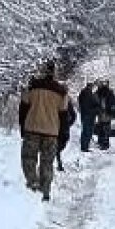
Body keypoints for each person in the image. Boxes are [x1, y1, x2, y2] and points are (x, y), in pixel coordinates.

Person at [19, 63, 68, 201]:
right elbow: (64, 115)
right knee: (47, 162)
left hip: (32, 129)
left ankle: (32, 184)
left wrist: (22, 127)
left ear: (41, 71)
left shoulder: (31, 87)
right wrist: (63, 134)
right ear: (54, 73)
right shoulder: (61, 92)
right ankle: (45, 190)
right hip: (52, 132)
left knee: (28, 158)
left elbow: (23, 109)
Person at [95, 79, 115, 151]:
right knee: (105, 127)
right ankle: (104, 142)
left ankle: (102, 142)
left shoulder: (100, 92)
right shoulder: (109, 93)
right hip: (105, 113)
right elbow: (113, 104)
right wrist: (113, 113)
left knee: (102, 127)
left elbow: (113, 104)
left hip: (104, 113)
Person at [57, 96, 77, 171]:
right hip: (63, 128)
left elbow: (73, 116)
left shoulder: (53, 99)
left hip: (56, 127)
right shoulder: (67, 101)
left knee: (57, 146)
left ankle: (57, 161)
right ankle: (59, 163)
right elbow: (73, 116)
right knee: (60, 146)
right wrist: (68, 124)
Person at [77, 82, 99, 152]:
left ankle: (84, 146)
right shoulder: (89, 94)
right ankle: (85, 147)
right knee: (88, 131)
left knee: (85, 130)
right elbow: (93, 104)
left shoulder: (83, 93)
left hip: (84, 114)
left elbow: (81, 103)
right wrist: (96, 109)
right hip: (89, 115)